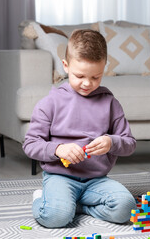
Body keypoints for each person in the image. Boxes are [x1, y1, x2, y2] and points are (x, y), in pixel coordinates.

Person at [23, 29, 137, 228]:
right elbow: (31, 145)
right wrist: (58, 149)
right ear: (66, 66)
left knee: (125, 207)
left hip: (96, 180)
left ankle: (77, 206)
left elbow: (129, 144)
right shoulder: (50, 102)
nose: (87, 83)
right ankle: (42, 198)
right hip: (60, 177)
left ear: (104, 68)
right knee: (55, 217)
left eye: (96, 77)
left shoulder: (110, 103)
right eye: (80, 75)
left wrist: (112, 142)